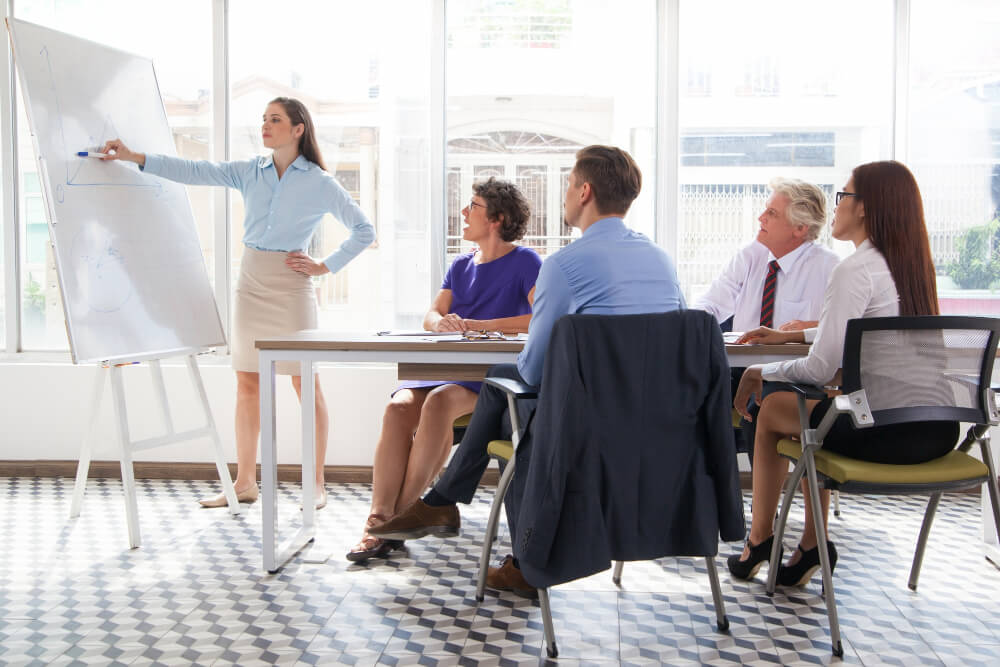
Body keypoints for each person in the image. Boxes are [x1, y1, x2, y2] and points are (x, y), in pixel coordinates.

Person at [371, 145, 686, 593]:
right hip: (655, 424)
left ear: (585, 191)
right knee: (504, 392)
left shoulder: (564, 266)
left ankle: (456, 509)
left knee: (513, 401)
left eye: (567, 184)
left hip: (582, 429)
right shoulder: (662, 261)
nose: (564, 195)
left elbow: (534, 370)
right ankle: (443, 503)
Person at [100, 97, 375, 509]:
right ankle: (245, 482)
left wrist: (324, 266)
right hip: (251, 282)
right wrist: (133, 157)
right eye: (263, 119)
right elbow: (195, 171)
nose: (265, 125)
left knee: (305, 382)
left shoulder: (319, 182)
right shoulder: (251, 171)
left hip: (292, 286)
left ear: (298, 129)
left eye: (275, 120)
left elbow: (363, 230)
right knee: (247, 382)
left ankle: (315, 484)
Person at [726, 160, 955, 587]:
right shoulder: (909, 266)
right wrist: (799, 334)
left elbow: (820, 366)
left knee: (773, 405)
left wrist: (760, 368)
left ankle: (760, 538)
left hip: (882, 433)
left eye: (843, 196)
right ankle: (812, 543)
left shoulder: (854, 269)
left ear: (865, 207)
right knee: (816, 406)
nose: (836, 207)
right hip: (937, 430)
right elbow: (865, 329)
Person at [347, 178, 541, 562]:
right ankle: (379, 517)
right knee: (398, 407)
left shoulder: (526, 261)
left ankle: (399, 520)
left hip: (486, 377)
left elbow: (538, 316)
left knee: (438, 402)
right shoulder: (461, 263)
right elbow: (431, 314)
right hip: (444, 366)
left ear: (497, 219)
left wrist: (480, 325)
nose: (464, 213)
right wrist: (443, 324)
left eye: (473, 206)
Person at [695, 178, 839, 460]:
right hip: (740, 369)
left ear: (800, 228)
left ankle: (761, 503)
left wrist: (811, 326)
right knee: (686, 393)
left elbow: (841, 328)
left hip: (794, 374)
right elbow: (711, 304)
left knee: (762, 400)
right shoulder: (750, 256)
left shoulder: (830, 267)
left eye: (772, 213)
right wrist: (690, 323)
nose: (761, 217)